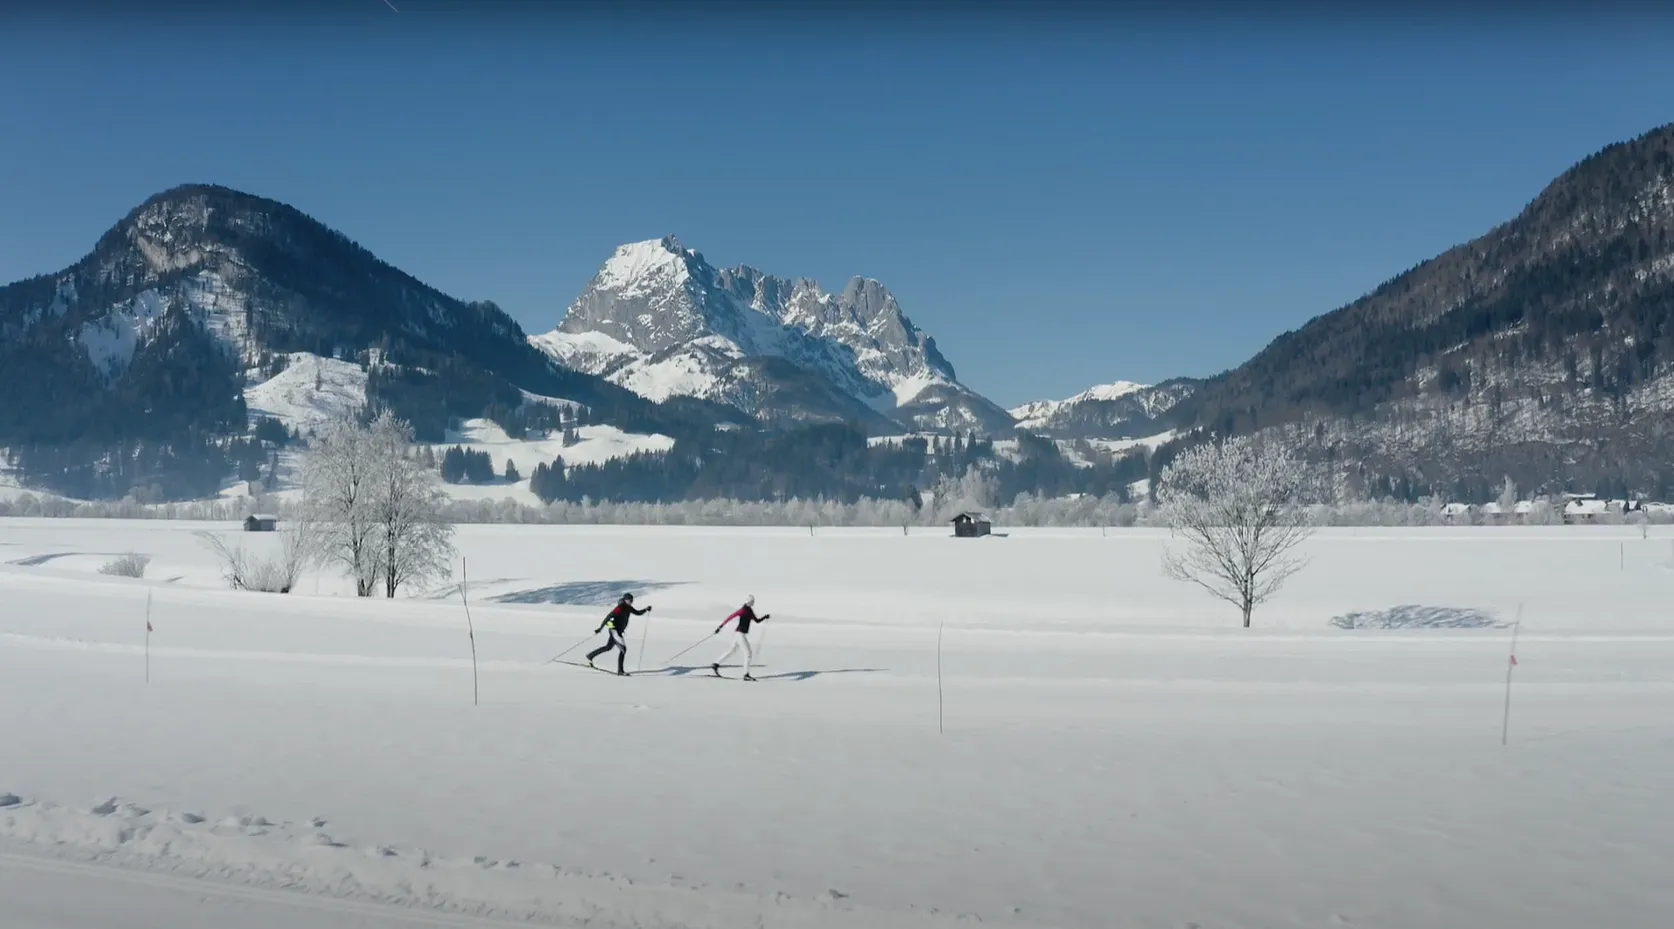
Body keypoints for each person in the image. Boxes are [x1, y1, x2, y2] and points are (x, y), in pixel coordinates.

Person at [587, 593, 651, 676]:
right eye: (629, 600)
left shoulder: (628, 607)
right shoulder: (620, 607)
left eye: (631, 600)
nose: (631, 601)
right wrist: (600, 628)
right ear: (625, 600)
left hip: (617, 631)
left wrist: (646, 609)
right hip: (614, 630)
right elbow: (608, 617)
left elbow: (637, 613)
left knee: (608, 647)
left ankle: (590, 656)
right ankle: (620, 671)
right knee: (623, 649)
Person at [711, 595, 769, 681]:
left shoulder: (749, 610)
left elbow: (756, 621)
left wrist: (765, 617)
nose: (753, 603)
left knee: (731, 651)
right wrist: (720, 627)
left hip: (738, 634)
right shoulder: (743, 610)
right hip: (740, 634)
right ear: (749, 602)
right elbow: (730, 617)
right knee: (748, 653)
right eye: (752, 601)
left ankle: (716, 664)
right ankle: (746, 674)